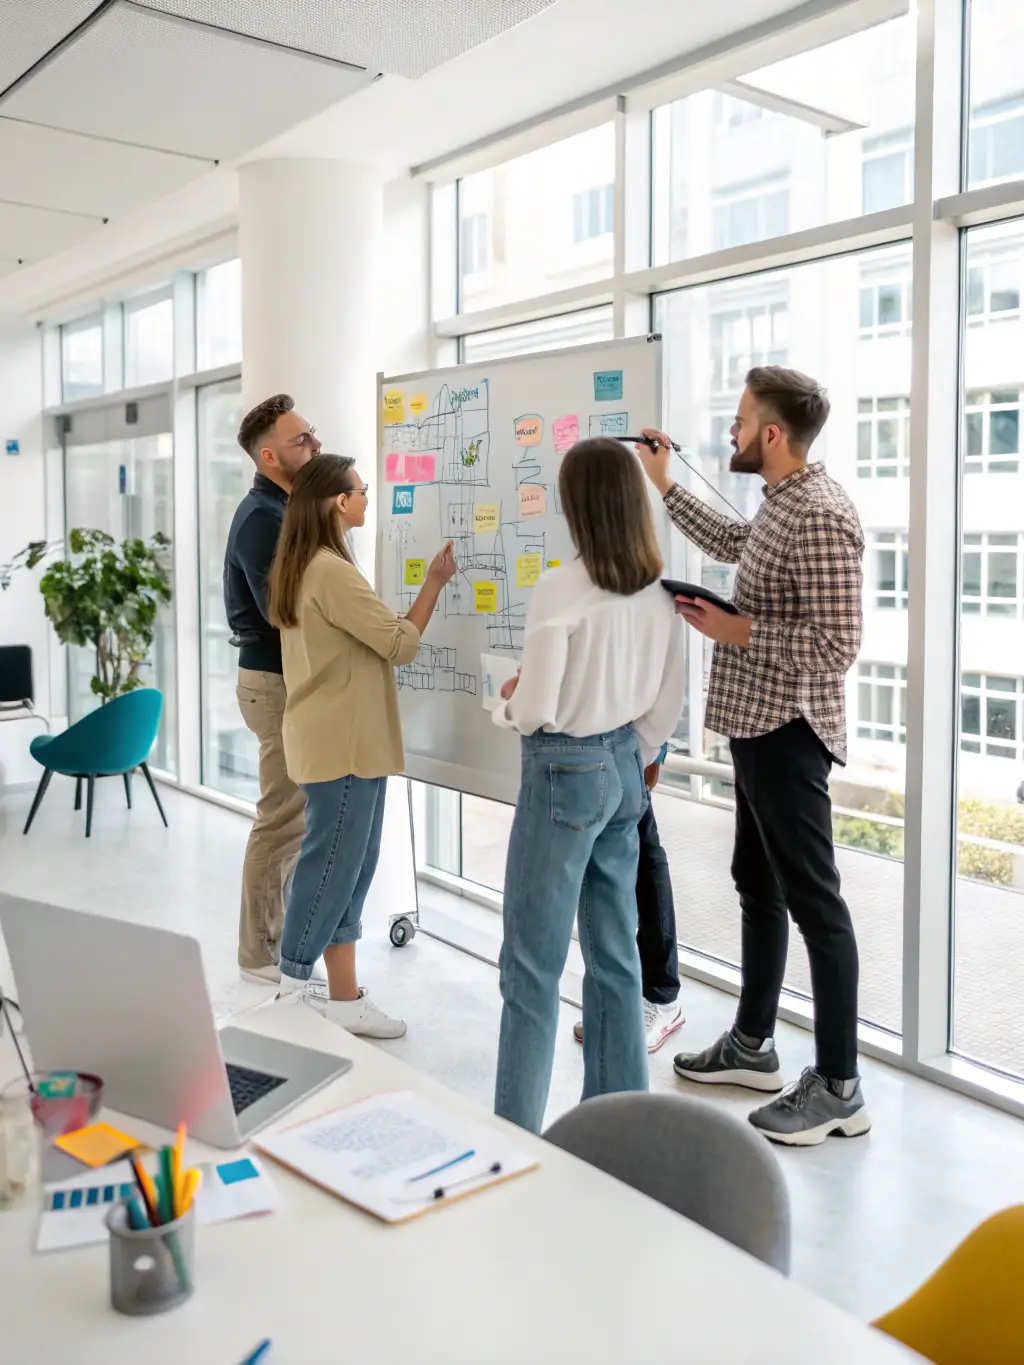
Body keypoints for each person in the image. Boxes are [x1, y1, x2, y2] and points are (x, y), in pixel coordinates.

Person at [635, 364, 870, 1148]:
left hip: (792, 731)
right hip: (757, 725)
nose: (730, 434)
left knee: (817, 905)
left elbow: (839, 647)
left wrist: (739, 632)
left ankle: (840, 1086)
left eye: (740, 421)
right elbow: (736, 540)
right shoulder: (779, 504)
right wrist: (666, 486)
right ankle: (753, 1045)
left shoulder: (824, 514)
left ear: (772, 433)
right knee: (756, 886)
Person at [493, 437, 686, 1133]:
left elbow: (537, 706)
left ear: (579, 505)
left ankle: (513, 1134)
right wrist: (632, 753)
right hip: (624, 771)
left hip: (562, 771)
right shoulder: (662, 590)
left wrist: (510, 700)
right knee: (615, 957)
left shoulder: (559, 587)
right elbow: (668, 698)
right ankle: (618, 1128)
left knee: (530, 965)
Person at [267, 455, 456, 1036]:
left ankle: (344, 998)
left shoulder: (307, 565)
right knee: (330, 870)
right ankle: (293, 993)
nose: (367, 498)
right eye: (361, 491)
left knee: (350, 868)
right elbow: (400, 646)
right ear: (336, 503)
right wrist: (433, 584)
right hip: (344, 746)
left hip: (339, 742)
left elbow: (365, 638)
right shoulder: (330, 570)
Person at [224, 394, 321, 985]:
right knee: (281, 820)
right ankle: (260, 953)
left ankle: (275, 936)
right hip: (273, 683)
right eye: (300, 440)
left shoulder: (285, 509)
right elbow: (283, 610)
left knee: (293, 820)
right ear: (269, 456)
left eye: (311, 433)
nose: (313, 444)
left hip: (281, 680)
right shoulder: (264, 518)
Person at [572, 742, 684, 1054]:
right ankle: (629, 995)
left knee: (645, 852)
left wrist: (653, 753)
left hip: (632, 743)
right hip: (604, 740)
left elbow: (665, 695)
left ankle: (661, 997)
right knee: (616, 856)